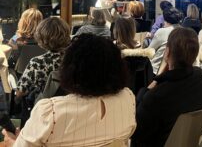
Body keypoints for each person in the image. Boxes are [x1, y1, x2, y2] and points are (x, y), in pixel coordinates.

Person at [3, 34, 136, 146]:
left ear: (70, 69)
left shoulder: (51, 111)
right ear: (118, 68)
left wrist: (12, 142)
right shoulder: (127, 98)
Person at [132, 28, 202, 147]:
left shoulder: (156, 96)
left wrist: (146, 91)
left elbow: (136, 132)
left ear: (167, 52)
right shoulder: (201, 78)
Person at [16, 17, 71, 99]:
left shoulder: (37, 63)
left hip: (45, 107)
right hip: (73, 106)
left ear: (41, 38)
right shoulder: (75, 58)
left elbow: (20, 92)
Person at [114, 17, 154, 94]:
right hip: (138, 95)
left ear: (116, 30)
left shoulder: (112, 51)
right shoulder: (142, 52)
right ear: (133, 30)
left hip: (117, 94)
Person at [148, 7, 181, 74]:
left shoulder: (162, 31)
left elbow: (150, 51)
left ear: (164, 18)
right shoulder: (183, 31)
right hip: (177, 70)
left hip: (157, 71)